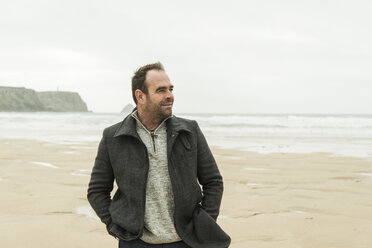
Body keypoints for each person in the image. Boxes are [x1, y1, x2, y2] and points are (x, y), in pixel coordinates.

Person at [87, 62, 231, 248]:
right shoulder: (113, 137)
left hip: (186, 241)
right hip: (135, 242)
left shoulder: (189, 130)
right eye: (161, 90)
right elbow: (97, 190)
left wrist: (204, 222)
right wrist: (116, 226)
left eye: (171, 89)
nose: (170, 96)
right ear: (140, 96)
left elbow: (213, 181)